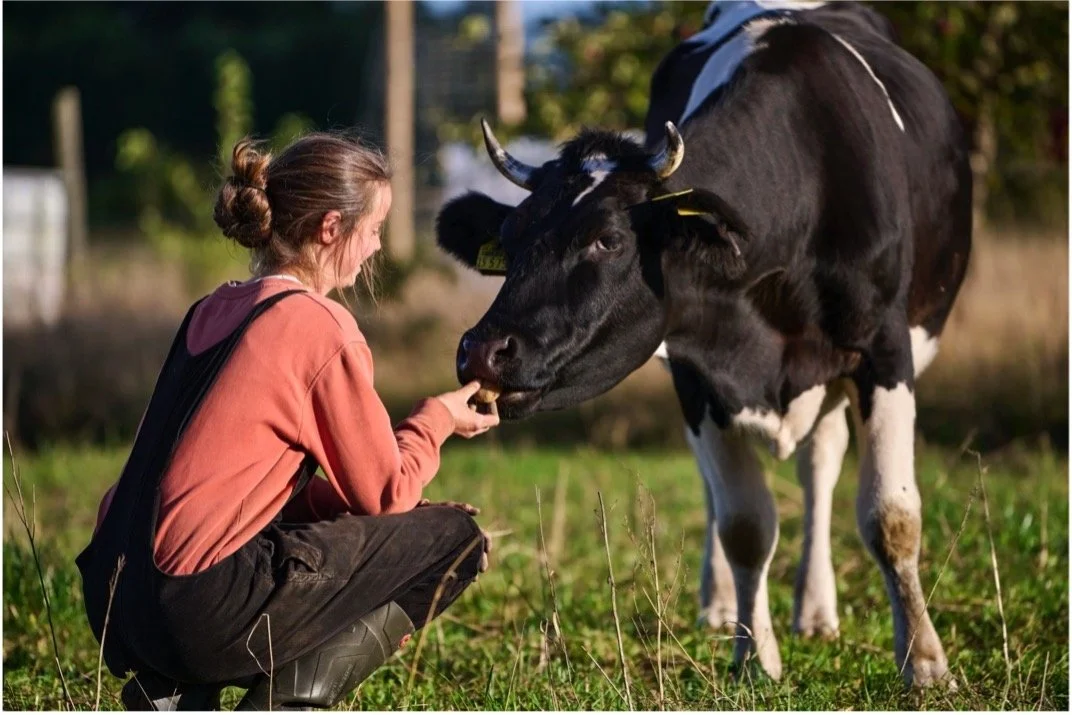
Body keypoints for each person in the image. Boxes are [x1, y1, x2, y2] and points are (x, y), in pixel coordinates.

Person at [75, 131, 501, 711]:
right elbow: (387, 493)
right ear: (331, 228)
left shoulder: (212, 310)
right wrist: (437, 418)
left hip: (113, 593)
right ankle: (278, 705)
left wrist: (344, 511)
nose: (376, 246)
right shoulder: (316, 325)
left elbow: (232, 488)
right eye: (374, 229)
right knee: (453, 542)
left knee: (397, 531)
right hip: (191, 609)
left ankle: (173, 689)